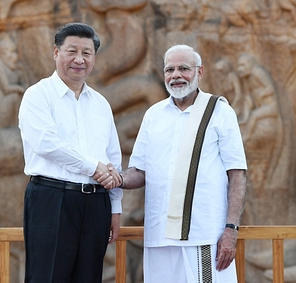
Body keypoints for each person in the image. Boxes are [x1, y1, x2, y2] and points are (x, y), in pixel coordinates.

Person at [99, 44, 247, 283]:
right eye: (170, 69)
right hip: (159, 237)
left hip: (204, 235)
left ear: (199, 73)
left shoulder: (218, 111)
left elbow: (237, 174)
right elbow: (139, 172)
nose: (176, 75)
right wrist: (116, 178)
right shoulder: (153, 115)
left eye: (184, 68)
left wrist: (231, 229)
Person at [17, 22, 123, 283]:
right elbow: (46, 144)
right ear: (56, 52)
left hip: (96, 204)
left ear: (94, 57)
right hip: (52, 199)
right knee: (47, 276)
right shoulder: (37, 95)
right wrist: (94, 167)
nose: (79, 60)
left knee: (89, 277)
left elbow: (113, 159)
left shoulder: (100, 103)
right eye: (71, 51)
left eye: (86, 53)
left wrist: (115, 208)